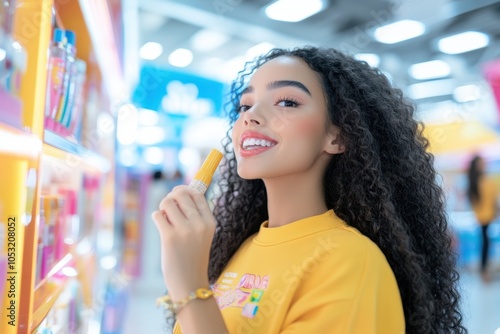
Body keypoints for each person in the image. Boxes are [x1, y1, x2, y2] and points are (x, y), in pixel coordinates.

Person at [152, 47, 466, 333]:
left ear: (338, 136)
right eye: (245, 104)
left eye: (287, 102)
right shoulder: (242, 248)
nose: (249, 115)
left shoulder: (351, 263)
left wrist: (189, 284)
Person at [467, 155, 498, 282]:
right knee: (485, 243)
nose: (483, 165)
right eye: (481, 163)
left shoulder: (479, 180)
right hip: (484, 216)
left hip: (485, 216)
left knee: (485, 243)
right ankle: (484, 270)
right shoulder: (480, 181)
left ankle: (484, 269)